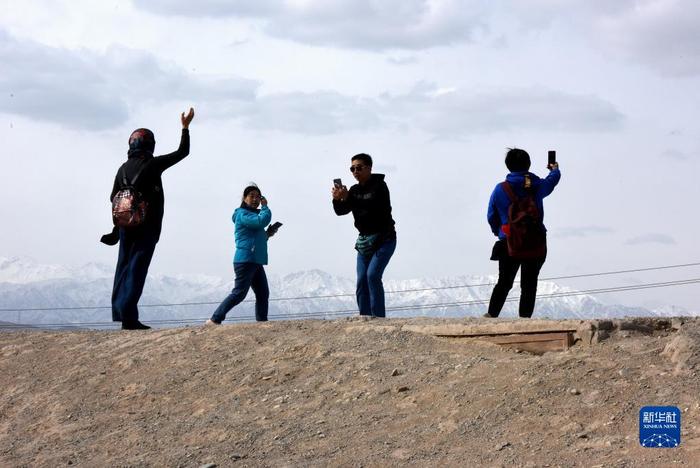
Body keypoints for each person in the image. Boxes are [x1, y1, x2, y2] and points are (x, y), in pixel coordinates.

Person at [108, 108, 195, 330]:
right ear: (150, 145)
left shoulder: (122, 169)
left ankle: (121, 313)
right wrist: (185, 128)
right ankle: (129, 318)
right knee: (137, 269)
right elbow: (182, 152)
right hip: (147, 228)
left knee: (123, 269)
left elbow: (114, 198)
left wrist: (117, 229)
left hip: (125, 227)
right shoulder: (153, 164)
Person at [485, 148, 561, 318]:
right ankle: (525, 320)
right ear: (528, 164)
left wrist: (500, 232)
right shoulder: (536, 186)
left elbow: (491, 215)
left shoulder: (500, 189)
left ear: (508, 166)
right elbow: (553, 180)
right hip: (535, 241)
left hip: (508, 241)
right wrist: (554, 169)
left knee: (504, 282)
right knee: (529, 283)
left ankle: (491, 315)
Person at [332, 153, 397, 318]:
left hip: (384, 240)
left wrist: (350, 198)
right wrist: (338, 199)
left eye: (359, 167)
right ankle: (365, 317)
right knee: (362, 279)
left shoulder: (380, 186)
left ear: (369, 168)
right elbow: (341, 211)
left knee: (373, 275)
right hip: (364, 242)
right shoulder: (353, 191)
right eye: (352, 168)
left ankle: (379, 318)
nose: (355, 171)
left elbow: (374, 207)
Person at [206, 185, 278, 325]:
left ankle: (262, 322)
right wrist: (265, 207)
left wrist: (267, 234)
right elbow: (260, 221)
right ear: (244, 198)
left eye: (258, 197)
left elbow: (255, 235)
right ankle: (215, 319)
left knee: (263, 293)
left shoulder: (252, 215)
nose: (255, 199)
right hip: (246, 259)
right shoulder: (242, 214)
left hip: (255, 260)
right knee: (239, 293)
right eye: (252, 196)